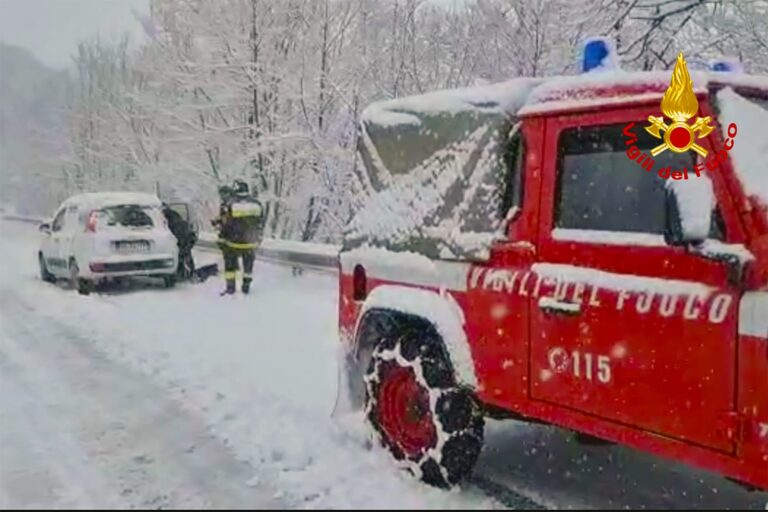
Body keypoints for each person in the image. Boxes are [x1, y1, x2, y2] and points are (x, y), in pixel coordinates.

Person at [213, 180, 264, 295]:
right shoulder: (257, 204)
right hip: (251, 243)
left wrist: (221, 237)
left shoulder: (230, 204)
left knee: (230, 266)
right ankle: (246, 288)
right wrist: (258, 238)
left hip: (233, 243)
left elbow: (225, 223)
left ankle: (230, 289)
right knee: (248, 267)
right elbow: (261, 222)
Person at [162, 203, 197, 280]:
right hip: (188, 235)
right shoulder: (173, 214)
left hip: (183, 236)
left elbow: (173, 230)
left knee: (182, 254)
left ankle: (186, 273)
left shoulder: (164, 216)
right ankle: (189, 272)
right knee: (185, 254)